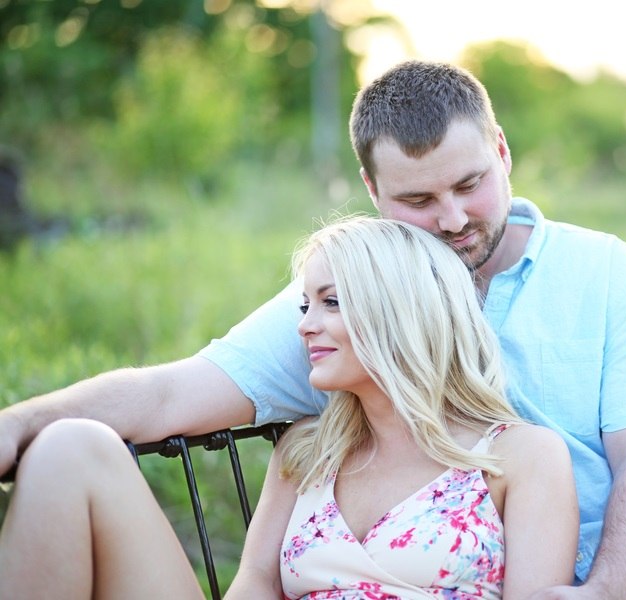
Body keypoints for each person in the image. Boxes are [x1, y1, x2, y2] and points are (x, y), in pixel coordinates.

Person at [0, 60, 626, 599]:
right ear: (373, 192)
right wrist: (19, 424)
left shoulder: (605, 275)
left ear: (503, 152)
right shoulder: (346, 304)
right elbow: (169, 396)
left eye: (470, 184)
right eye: (420, 199)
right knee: (67, 446)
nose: (453, 219)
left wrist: (607, 593)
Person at [0, 216, 579, 598]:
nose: (305, 326)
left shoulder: (522, 457)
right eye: (306, 303)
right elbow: (252, 584)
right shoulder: (307, 448)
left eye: (331, 302)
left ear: (398, 311)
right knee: (71, 446)